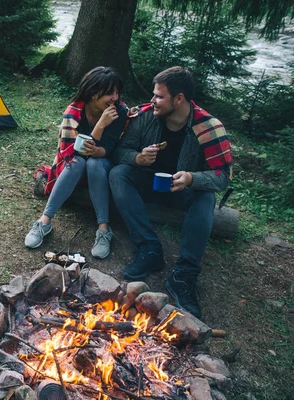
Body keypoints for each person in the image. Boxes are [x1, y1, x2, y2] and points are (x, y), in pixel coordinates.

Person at [109, 66, 233, 318]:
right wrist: (138, 158)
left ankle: (184, 276)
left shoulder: (208, 127)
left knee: (206, 195)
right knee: (118, 173)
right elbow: (120, 152)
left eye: (159, 96)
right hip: (148, 182)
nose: (152, 100)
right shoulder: (146, 116)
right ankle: (150, 248)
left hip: (182, 190)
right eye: (153, 95)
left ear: (179, 99)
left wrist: (191, 178)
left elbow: (222, 177)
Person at [25, 67, 128, 259]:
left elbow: (111, 145)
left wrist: (99, 151)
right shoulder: (74, 111)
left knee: (94, 163)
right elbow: (73, 151)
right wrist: (100, 125)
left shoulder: (119, 111)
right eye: (109, 92)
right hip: (73, 165)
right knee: (79, 162)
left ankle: (104, 229)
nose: (115, 97)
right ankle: (44, 221)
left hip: (102, 166)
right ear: (92, 92)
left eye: (117, 92)